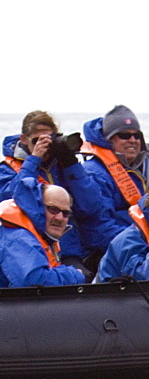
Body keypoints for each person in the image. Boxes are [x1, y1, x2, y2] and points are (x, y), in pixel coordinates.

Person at [0, 110, 108, 267]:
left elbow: (90, 206)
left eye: (48, 140)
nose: (43, 146)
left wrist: (71, 164)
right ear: (23, 139)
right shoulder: (7, 169)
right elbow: (10, 200)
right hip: (29, 250)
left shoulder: (62, 167)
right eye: (37, 140)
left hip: (68, 250)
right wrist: (33, 160)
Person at [78, 105, 149, 264]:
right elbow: (100, 230)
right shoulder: (93, 174)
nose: (132, 140)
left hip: (144, 244)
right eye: (124, 135)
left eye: (137, 136)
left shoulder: (143, 171)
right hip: (112, 254)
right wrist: (145, 245)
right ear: (109, 139)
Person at [0, 179, 88, 288]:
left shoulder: (41, 235)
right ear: (37, 207)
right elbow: (34, 282)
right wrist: (75, 275)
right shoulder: (19, 238)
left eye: (65, 213)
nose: (60, 218)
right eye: (53, 209)